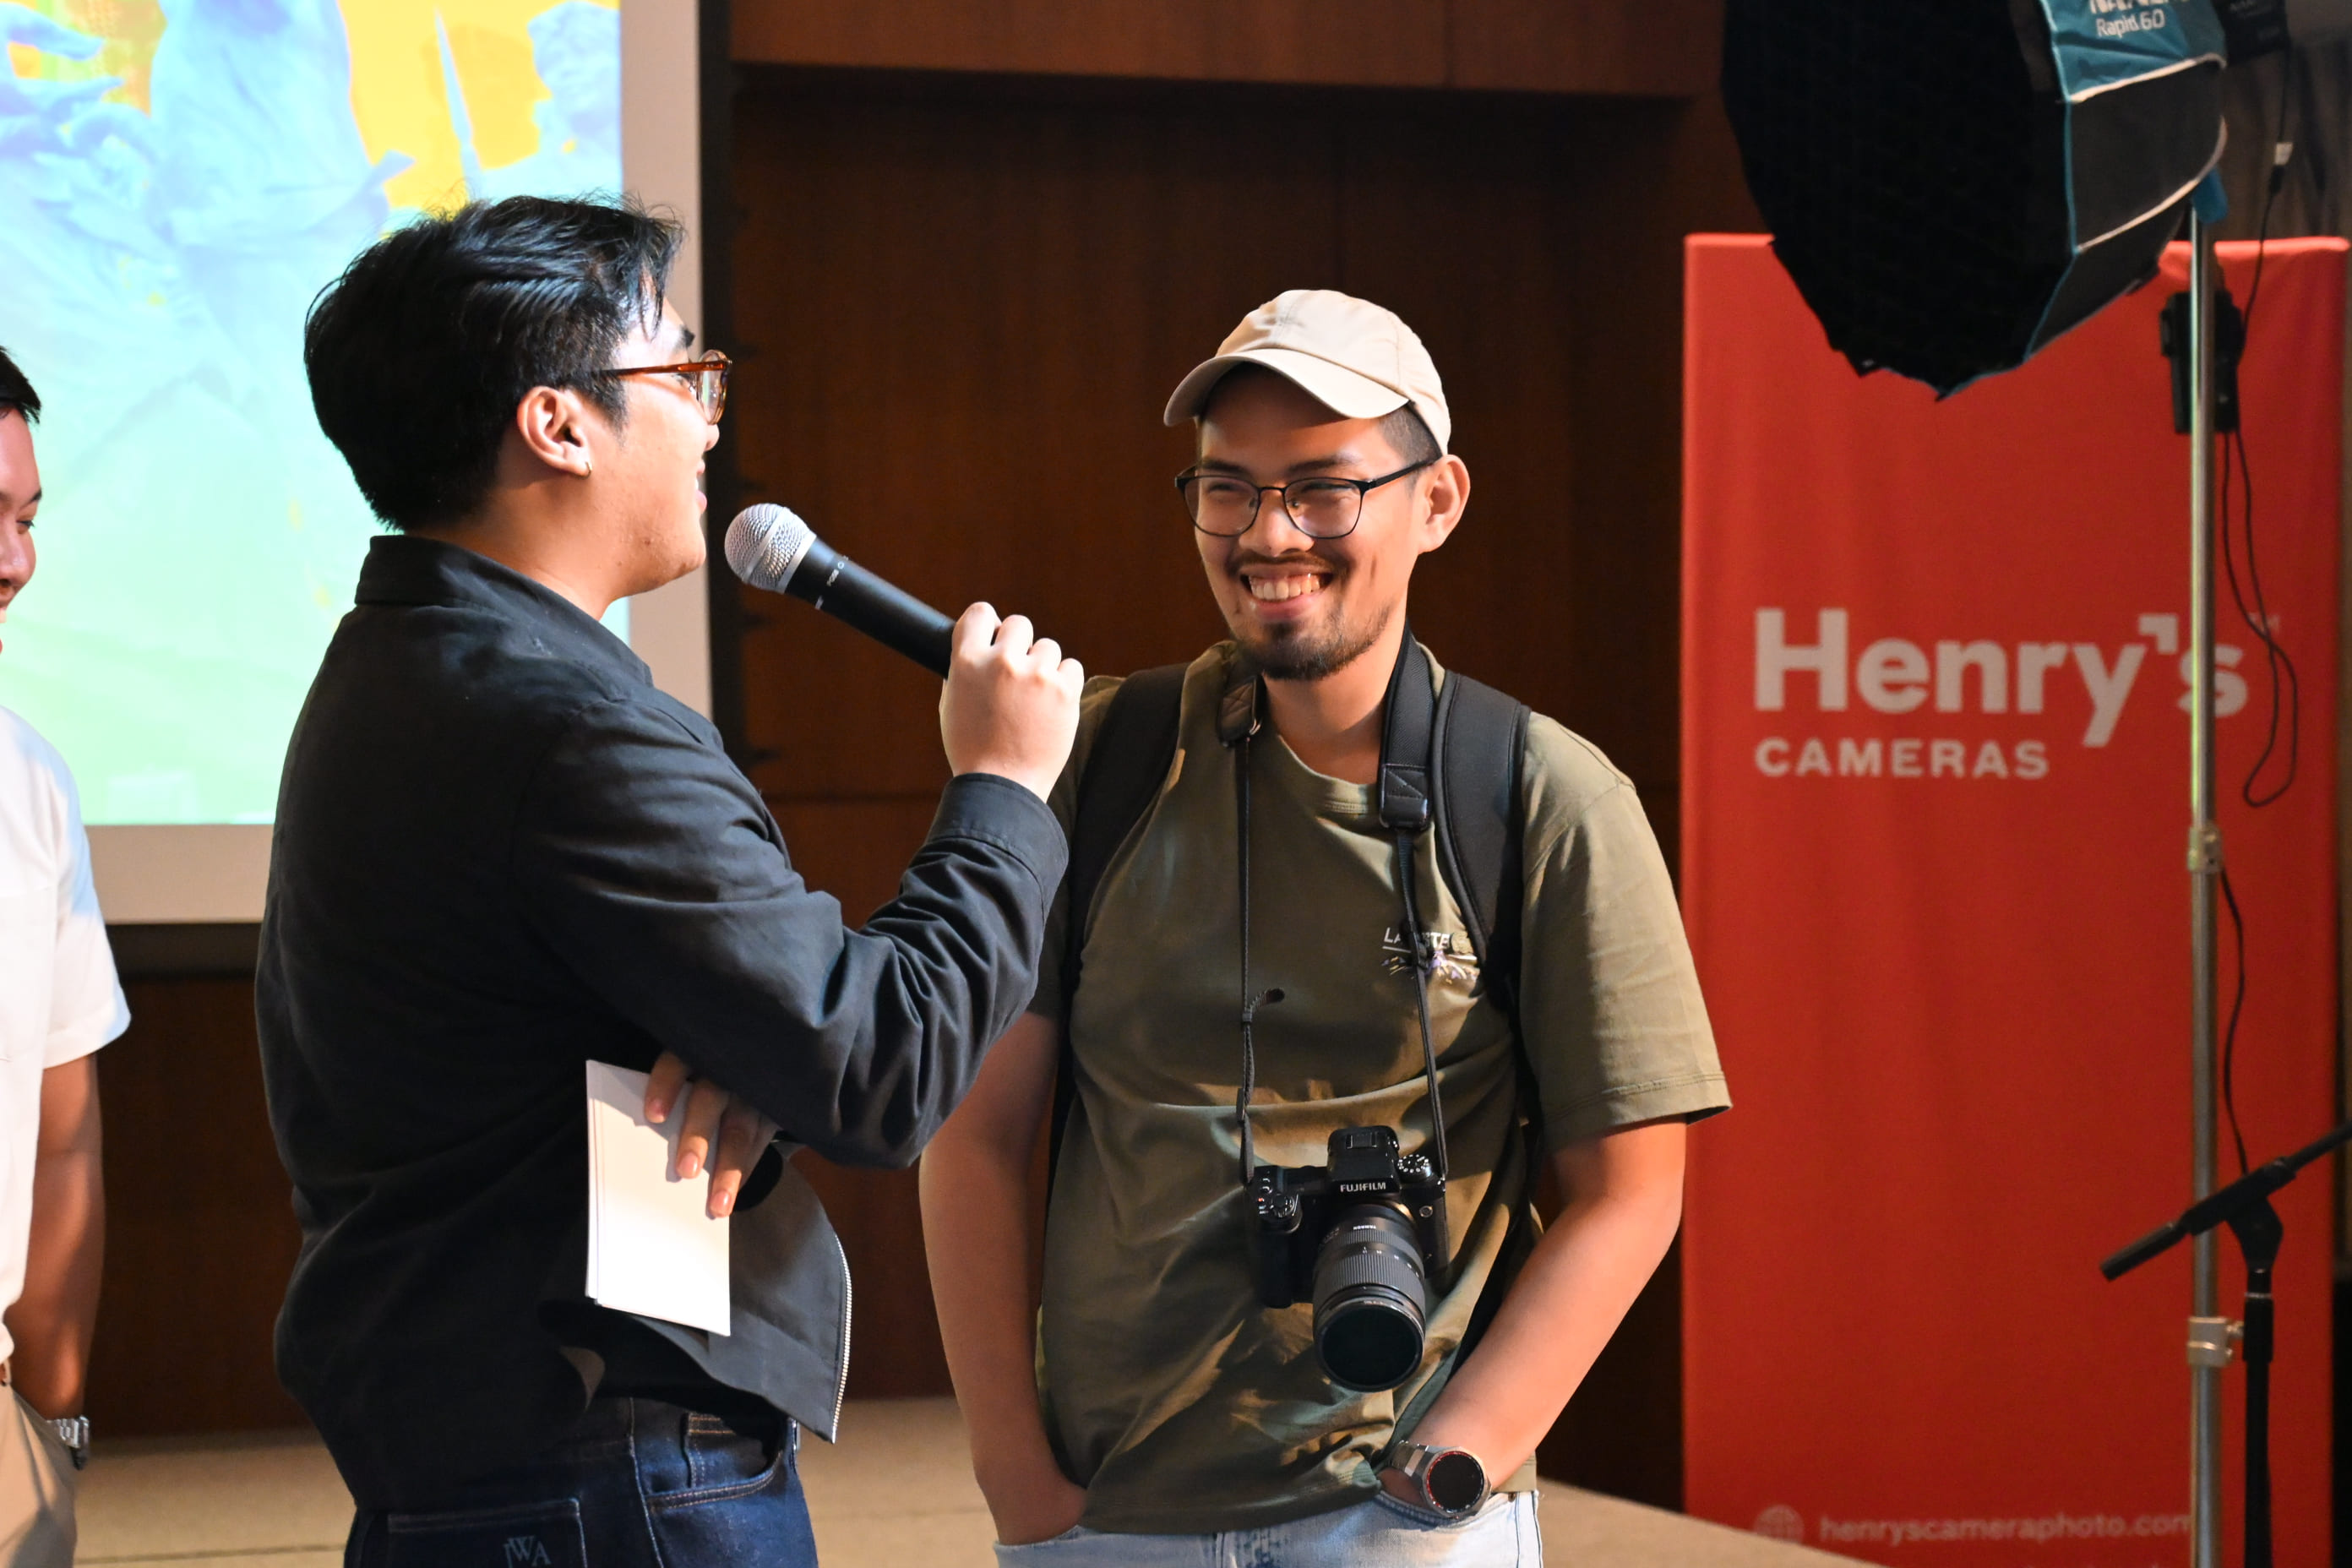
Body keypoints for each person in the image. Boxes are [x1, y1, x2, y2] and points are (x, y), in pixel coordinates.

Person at [260, 196, 1082, 1567]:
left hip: (492, 1461)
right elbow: (882, 1063)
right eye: (684, 373)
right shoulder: (568, 726)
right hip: (608, 1479)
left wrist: (757, 1058)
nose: (709, 422)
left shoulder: (392, 670)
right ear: (557, 425)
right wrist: (1002, 785)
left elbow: (616, 1028)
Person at [921, 290, 1729, 1565]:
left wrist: (1452, 1463)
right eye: (1228, 490)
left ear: (1438, 501)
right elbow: (975, 1136)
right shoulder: (1094, 764)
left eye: (1323, 490)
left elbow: (1631, 1194)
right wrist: (1016, 1477)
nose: (1269, 534)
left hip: (1404, 1514)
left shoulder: (1539, 797)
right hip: (1109, 1516)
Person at [0, 346, 120, 1566]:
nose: (14, 563)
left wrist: (53, 1418)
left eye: (27, 520)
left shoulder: (28, 780)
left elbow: (62, 1131)